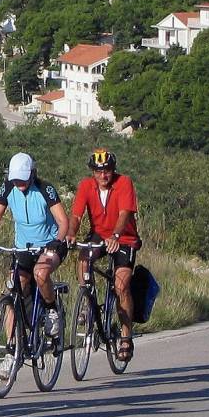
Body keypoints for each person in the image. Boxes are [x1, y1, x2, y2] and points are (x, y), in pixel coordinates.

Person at [0, 152, 70, 340]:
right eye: (15, 180)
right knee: (14, 290)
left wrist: (57, 240)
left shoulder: (45, 189)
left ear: (32, 174)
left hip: (49, 245)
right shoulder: (7, 188)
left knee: (40, 273)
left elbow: (63, 221)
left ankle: (52, 311)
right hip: (23, 248)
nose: (19, 184)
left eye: (23, 180)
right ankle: (13, 348)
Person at [67, 148, 140, 362]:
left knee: (121, 286)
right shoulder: (85, 186)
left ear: (113, 170)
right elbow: (76, 214)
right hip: (99, 234)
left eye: (107, 171)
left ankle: (126, 335)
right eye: (98, 171)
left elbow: (125, 213)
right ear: (92, 172)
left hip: (124, 237)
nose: (103, 176)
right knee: (83, 260)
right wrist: (71, 232)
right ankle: (87, 303)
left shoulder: (124, 182)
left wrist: (116, 236)